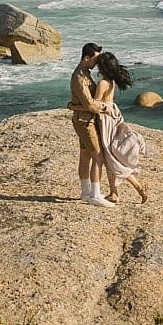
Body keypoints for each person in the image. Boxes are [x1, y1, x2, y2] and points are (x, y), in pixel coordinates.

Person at [93, 52, 148, 204]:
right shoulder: (111, 82)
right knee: (110, 157)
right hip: (113, 117)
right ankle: (113, 193)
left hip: (105, 120)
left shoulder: (102, 83)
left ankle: (138, 186)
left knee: (111, 158)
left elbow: (96, 104)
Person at [67, 42, 114, 207]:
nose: (97, 63)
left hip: (83, 119)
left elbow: (85, 103)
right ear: (86, 58)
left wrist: (73, 106)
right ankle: (94, 195)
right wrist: (105, 108)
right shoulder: (80, 78)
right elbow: (90, 105)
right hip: (85, 122)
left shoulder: (85, 73)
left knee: (85, 155)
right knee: (98, 155)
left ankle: (85, 191)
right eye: (95, 59)